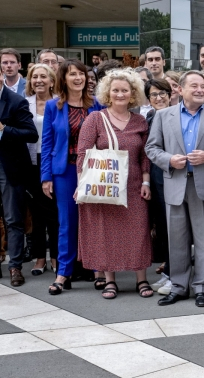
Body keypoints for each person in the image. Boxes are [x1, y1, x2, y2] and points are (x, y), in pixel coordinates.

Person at [145, 70, 204, 307]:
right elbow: (152, 148)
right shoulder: (164, 116)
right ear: (180, 90)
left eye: (203, 86)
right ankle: (178, 287)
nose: (200, 89)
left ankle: (201, 288)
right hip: (175, 183)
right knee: (177, 239)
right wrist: (168, 160)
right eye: (194, 85)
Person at [76, 68, 153, 300]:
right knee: (106, 232)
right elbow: (83, 154)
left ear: (133, 93)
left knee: (138, 231)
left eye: (125, 90)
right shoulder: (95, 119)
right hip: (105, 187)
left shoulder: (140, 121)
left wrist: (146, 182)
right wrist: (82, 185)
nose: (120, 94)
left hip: (134, 185)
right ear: (108, 92)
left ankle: (142, 279)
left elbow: (145, 156)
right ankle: (110, 281)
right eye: (115, 90)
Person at [41, 59, 104, 295]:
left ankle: (98, 270)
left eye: (82, 74)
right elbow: (47, 143)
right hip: (65, 171)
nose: (78, 78)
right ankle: (63, 273)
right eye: (72, 74)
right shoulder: (52, 106)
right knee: (67, 222)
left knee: (95, 220)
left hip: (93, 170)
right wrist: (46, 176)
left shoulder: (97, 105)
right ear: (63, 79)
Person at [0, 69, 38, 285]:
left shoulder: (15, 101)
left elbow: (31, 133)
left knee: (13, 218)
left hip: (9, 167)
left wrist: (4, 130)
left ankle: (15, 266)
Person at [25, 64, 59, 276]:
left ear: (52, 80)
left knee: (54, 213)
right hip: (30, 163)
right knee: (35, 214)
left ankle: (55, 256)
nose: (39, 80)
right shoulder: (23, 103)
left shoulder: (59, 103)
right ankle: (39, 258)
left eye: (43, 76)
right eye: (34, 77)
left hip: (53, 163)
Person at [143, 78, 173, 294]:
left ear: (170, 95)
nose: (159, 97)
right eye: (154, 94)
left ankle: (175, 274)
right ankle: (168, 271)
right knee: (162, 227)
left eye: (163, 93)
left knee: (174, 229)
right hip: (154, 176)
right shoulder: (150, 116)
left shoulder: (176, 116)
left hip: (171, 174)